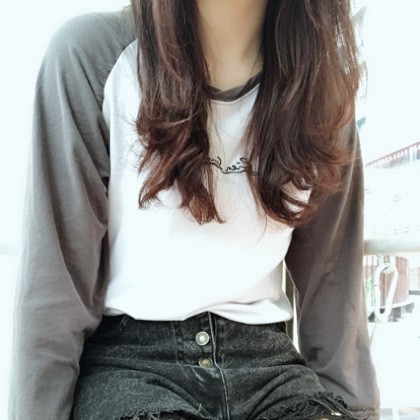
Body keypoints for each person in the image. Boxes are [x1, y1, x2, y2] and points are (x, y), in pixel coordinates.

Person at [10, 0, 380, 419]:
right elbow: (56, 288)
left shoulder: (321, 90)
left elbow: (333, 283)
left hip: (270, 369)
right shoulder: (91, 57)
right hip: (131, 368)